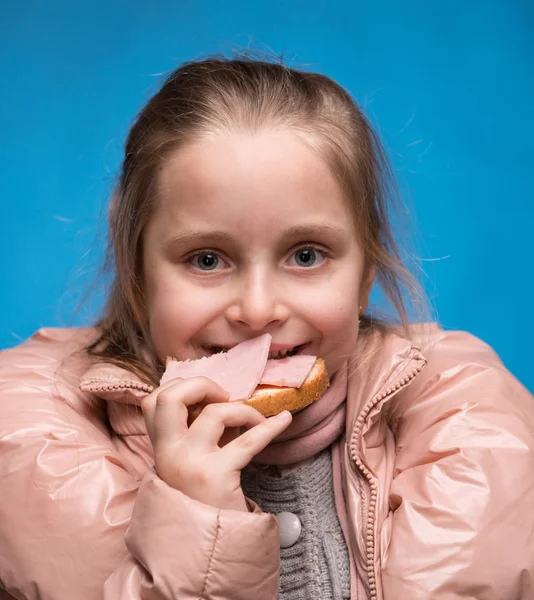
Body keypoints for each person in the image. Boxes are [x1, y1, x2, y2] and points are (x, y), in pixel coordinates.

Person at [0, 55, 532, 600]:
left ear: (365, 272)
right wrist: (196, 522)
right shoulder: (43, 453)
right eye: (207, 259)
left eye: (306, 255)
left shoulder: (469, 428)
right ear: (138, 271)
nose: (257, 310)